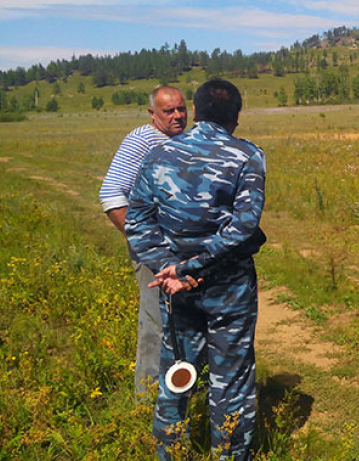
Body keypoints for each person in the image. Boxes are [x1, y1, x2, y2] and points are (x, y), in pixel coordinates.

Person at [126, 78, 266, 461]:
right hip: (229, 288)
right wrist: (193, 266)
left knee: (175, 372)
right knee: (232, 379)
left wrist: (168, 268)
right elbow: (244, 226)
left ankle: (169, 453)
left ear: (197, 112)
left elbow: (137, 222)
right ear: (236, 116)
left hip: (177, 289)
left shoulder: (158, 156)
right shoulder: (247, 156)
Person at [99, 86, 188, 396]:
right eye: (168, 111)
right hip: (153, 250)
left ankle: (179, 389)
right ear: (153, 114)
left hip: (179, 251)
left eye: (181, 108)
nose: (178, 115)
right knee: (156, 321)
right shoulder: (142, 140)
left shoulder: (180, 141)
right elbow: (111, 194)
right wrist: (143, 241)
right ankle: (147, 397)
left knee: (182, 320)